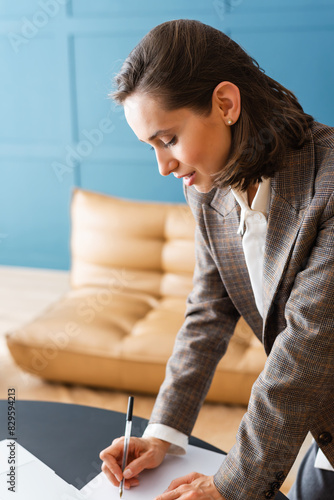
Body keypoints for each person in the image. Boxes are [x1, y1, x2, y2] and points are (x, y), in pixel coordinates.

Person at [99, 19, 334, 500]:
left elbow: (303, 355)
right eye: (151, 148)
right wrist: (163, 432)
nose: (163, 167)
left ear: (225, 104)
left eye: (168, 140)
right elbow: (208, 310)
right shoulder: (207, 189)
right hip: (320, 437)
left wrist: (232, 485)